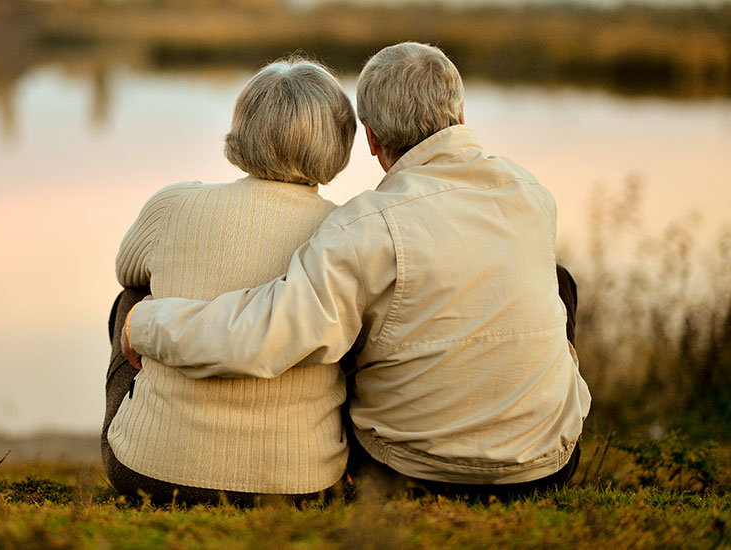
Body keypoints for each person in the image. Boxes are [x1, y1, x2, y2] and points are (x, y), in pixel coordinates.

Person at [119, 42, 590, 499]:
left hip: (409, 470)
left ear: (370, 138)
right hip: (546, 466)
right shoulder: (532, 193)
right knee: (558, 281)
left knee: (349, 320)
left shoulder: (366, 226)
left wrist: (143, 322)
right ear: (462, 115)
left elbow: (267, 334)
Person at [102, 57, 357, 505]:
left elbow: (127, 270)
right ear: (340, 140)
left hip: (149, 471)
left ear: (243, 128)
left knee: (133, 298)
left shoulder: (174, 204)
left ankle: (156, 425)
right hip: (302, 482)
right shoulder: (347, 231)